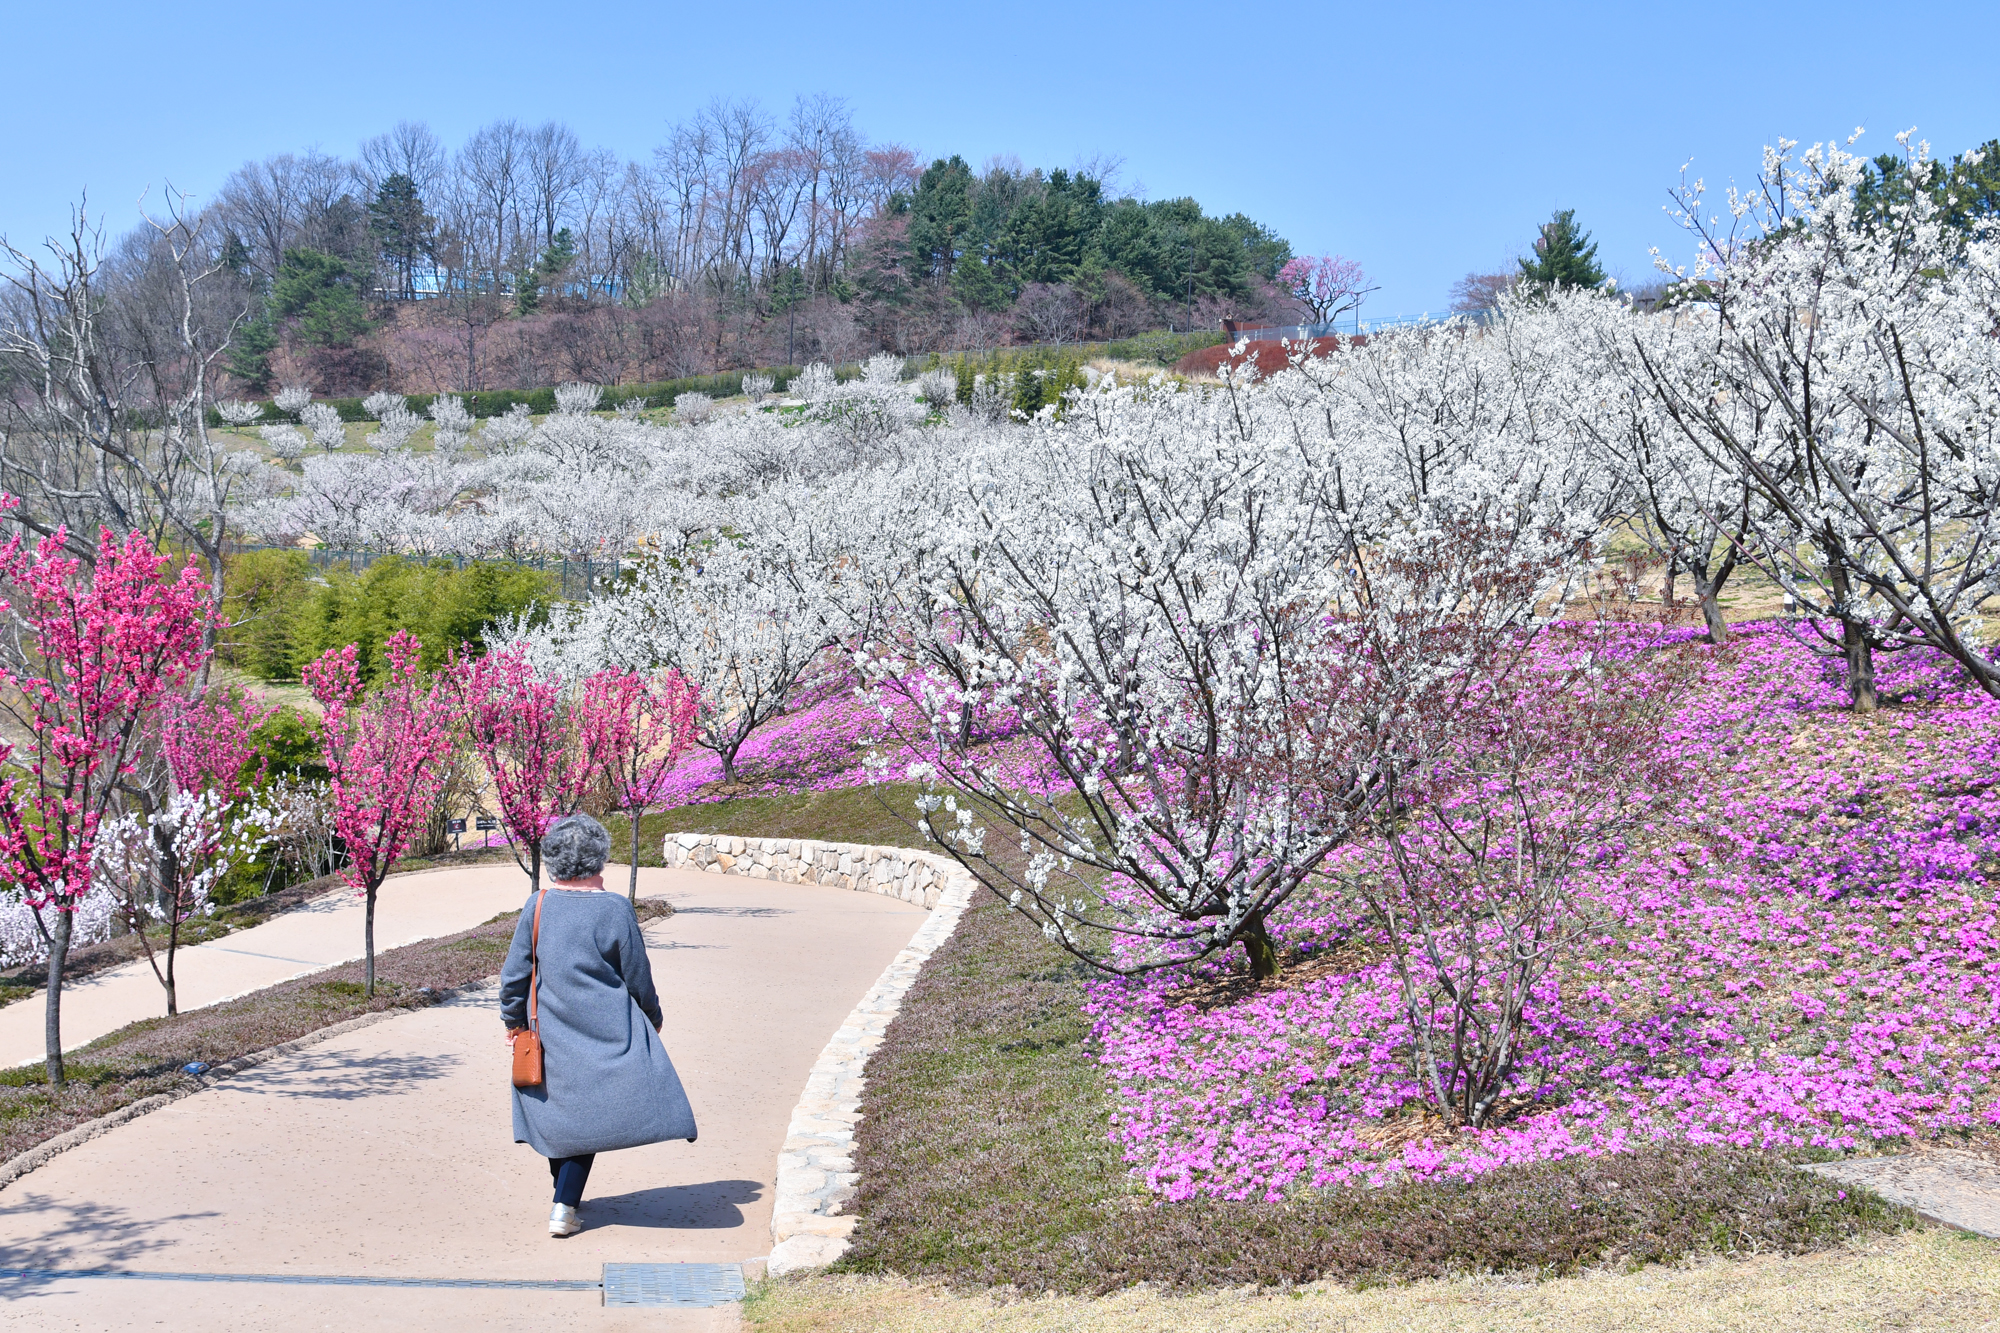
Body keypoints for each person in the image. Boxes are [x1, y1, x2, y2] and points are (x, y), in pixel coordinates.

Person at [501, 812, 697, 1237]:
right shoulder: (615, 908)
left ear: (552, 859)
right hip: (608, 1030)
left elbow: (515, 973)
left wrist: (513, 1020)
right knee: (585, 1114)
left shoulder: (538, 905)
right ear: (599, 858)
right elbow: (637, 974)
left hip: (551, 1028)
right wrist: (652, 1017)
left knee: (563, 1110)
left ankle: (564, 1196)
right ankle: (564, 1204)